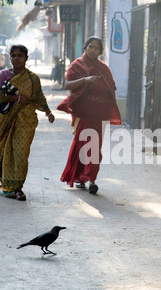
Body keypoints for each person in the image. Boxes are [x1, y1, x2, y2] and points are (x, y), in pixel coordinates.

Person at [0, 44, 55, 201]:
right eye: (13, 55)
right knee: (8, 151)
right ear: (9, 57)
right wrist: (17, 98)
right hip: (8, 119)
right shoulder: (4, 75)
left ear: (26, 58)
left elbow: (39, 97)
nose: (16, 58)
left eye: (20, 55)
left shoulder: (32, 78)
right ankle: (10, 186)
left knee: (21, 154)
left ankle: (17, 187)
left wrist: (48, 112)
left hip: (26, 121)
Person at [57, 36, 121, 194]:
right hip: (84, 112)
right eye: (91, 47)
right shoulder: (77, 65)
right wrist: (86, 80)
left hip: (100, 113)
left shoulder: (104, 67)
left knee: (96, 146)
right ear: (85, 48)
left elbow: (112, 88)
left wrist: (112, 108)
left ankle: (92, 179)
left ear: (100, 51)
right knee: (83, 145)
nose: (93, 50)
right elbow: (67, 85)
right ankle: (81, 178)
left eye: (96, 48)